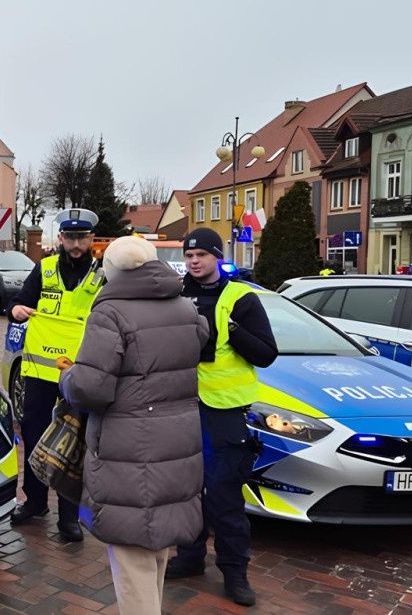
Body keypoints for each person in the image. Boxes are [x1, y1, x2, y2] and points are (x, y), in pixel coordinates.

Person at [60, 236, 208, 615]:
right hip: (177, 442)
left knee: (130, 555)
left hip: (130, 447)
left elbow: (91, 388)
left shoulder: (110, 313)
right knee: (155, 544)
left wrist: (69, 378)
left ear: (111, 271)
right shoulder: (185, 308)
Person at [165, 227, 278, 607]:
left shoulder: (241, 296)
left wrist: (232, 330)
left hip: (225, 412)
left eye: (201, 255)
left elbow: (265, 353)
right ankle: (190, 557)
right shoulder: (175, 293)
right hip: (182, 408)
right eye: (189, 256)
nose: (194, 262)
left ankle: (235, 573)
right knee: (186, 490)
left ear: (217, 256)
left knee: (224, 496)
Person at [7, 208, 103, 543]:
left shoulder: (102, 275)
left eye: (82, 238)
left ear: (91, 239)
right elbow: (19, 303)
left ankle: (69, 516)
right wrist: (16, 310)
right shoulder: (44, 269)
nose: (76, 244)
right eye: (70, 237)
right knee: (33, 435)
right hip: (38, 372)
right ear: (60, 238)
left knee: (74, 443)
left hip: (80, 373)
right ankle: (34, 502)